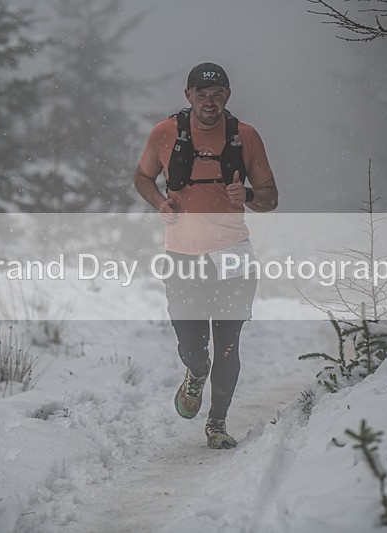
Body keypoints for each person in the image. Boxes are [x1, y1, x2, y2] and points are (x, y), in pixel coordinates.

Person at [134, 62, 278, 449]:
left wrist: (248, 195)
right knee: (191, 345)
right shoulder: (164, 133)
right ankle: (197, 371)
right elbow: (142, 177)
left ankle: (217, 422)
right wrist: (160, 201)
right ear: (188, 96)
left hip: (233, 254)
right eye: (202, 95)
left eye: (217, 95)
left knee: (228, 343)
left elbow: (271, 197)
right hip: (182, 256)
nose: (209, 102)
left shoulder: (246, 136)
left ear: (228, 96)